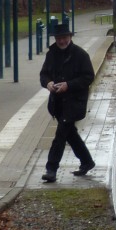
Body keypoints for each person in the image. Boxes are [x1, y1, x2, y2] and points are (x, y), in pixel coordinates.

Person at [39, 22, 96, 183]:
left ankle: (51, 169)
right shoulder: (51, 54)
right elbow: (44, 74)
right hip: (57, 103)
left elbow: (88, 77)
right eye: (58, 38)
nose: (61, 41)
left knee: (60, 136)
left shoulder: (81, 55)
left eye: (64, 38)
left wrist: (68, 85)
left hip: (74, 102)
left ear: (70, 37)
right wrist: (48, 83)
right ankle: (87, 161)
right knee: (70, 134)